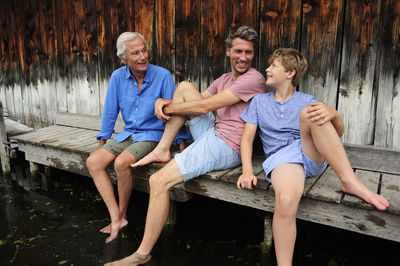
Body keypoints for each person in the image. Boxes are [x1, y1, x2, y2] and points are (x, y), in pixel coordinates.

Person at [106, 25, 266, 265]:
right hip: (213, 132)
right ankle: (162, 149)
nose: (243, 57)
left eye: (249, 53)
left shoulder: (254, 79)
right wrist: (165, 100)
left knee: (158, 181)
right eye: (238, 51)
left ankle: (141, 254)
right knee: (184, 87)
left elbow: (202, 108)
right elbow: (194, 101)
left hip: (228, 144)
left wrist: (163, 107)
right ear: (228, 52)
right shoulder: (224, 79)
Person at [237, 48, 389, 265]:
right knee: (286, 200)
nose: (267, 69)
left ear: (290, 73)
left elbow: (336, 133)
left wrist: (333, 113)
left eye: (273, 66)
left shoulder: (306, 100)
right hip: (283, 161)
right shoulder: (259, 102)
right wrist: (247, 170)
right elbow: (246, 138)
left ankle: (349, 182)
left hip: (309, 152)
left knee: (312, 112)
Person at [85, 32, 191, 244]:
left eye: (144, 51)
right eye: (135, 53)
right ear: (123, 58)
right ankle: (116, 217)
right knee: (93, 161)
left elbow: (176, 110)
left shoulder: (161, 75)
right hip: (129, 133)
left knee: (122, 163)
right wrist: (103, 141)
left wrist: (180, 141)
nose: (143, 56)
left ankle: (122, 215)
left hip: (153, 134)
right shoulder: (117, 77)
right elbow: (110, 111)